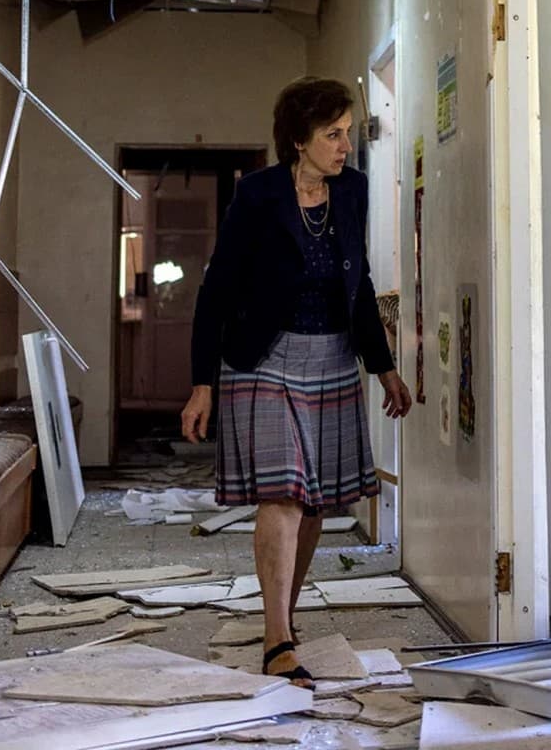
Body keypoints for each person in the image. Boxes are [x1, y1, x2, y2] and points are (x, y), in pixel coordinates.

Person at [182, 76, 410, 686]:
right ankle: (277, 637)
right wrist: (202, 382)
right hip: (263, 360)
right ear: (300, 140)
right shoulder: (257, 195)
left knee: (313, 502)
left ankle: (286, 610)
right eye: (332, 135)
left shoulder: (354, 192)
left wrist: (383, 367)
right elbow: (217, 290)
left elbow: (357, 285)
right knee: (282, 492)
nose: (345, 146)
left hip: (332, 358)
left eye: (347, 134)